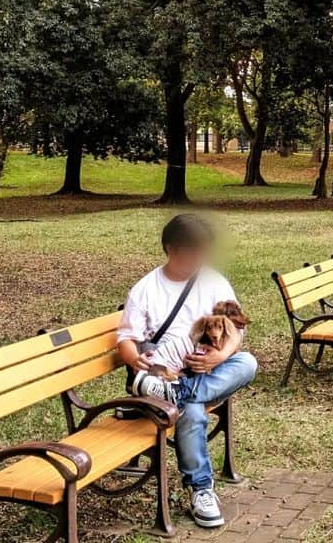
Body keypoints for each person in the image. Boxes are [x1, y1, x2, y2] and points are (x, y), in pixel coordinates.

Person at [116, 214, 257, 529]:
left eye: (202, 251)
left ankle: (178, 396)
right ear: (170, 248)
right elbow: (126, 340)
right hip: (164, 375)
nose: (199, 258)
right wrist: (134, 360)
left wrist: (218, 357)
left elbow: (236, 328)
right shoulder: (145, 289)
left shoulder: (214, 281)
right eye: (192, 251)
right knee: (191, 412)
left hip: (204, 371)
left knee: (247, 363)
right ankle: (201, 489)